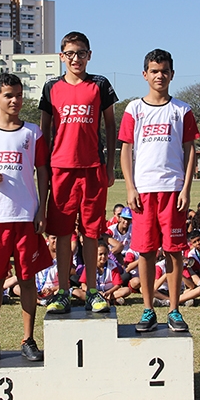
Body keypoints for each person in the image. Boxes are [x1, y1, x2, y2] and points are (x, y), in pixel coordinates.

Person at [0, 72, 52, 364]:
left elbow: (43, 170)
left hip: (26, 216)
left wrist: (42, 207)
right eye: (8, 95)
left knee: (27, 279)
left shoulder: (32, 133)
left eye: (18, 94)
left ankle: (28, 339)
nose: (15, 100)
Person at [119, 48, 199, 332]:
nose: (159, 75)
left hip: (173, 191)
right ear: (145, 75)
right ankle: (148, 309)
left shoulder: (182, 110)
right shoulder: (134, 109)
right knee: (146, 251)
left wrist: (186, 189)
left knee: (173, 251)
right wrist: (130, 187)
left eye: (164, 71)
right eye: (154, 71)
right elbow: (126, 150)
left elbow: (190, 151)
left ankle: (175, 310)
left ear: (172, 74)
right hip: (143, 192)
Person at [39, 31, 118, 315]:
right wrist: (45, 173)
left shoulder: (100, 85)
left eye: (81, 53)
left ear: (89, 55)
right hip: (61, 169)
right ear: (62, 57)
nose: (76, 59)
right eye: (70, 54)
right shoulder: (51, 88)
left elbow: (110, 127)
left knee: (91, 233)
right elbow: (45, 132)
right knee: (62, 235)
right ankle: (62, 291)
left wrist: (110, 166)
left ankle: (93, 291)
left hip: (93, 169)